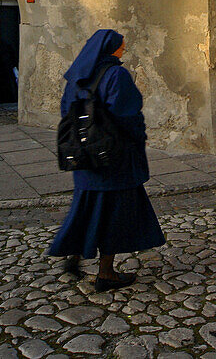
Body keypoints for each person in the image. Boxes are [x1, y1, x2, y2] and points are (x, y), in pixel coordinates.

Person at [49, 28, 165, 292]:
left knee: (86, 209)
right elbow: (126, 114)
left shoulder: (77, 77)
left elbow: (66, 110)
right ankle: (106, 272)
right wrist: (139, 136)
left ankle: (75, 257)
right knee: (113, 215)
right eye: (120, 47)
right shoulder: (116, 74)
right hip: (113, 157)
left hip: (84, 156)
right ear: (110, 49)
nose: (123, 51)